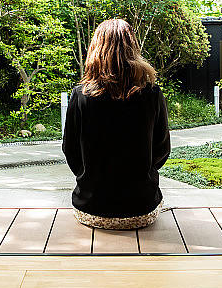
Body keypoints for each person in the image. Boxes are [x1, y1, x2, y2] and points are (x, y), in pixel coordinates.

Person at [62, 18, 171, 230]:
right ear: (133, 48)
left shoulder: (80, 95)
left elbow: (70, 150)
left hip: (90, 209)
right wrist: (141, 173)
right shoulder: (152, 93)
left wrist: (90, 177)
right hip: (142, 210)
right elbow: (162, 149)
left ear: (96, 48)